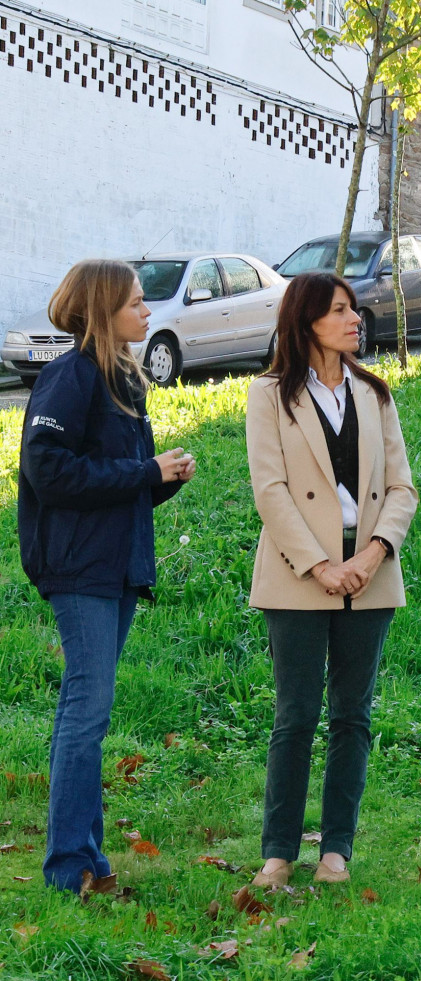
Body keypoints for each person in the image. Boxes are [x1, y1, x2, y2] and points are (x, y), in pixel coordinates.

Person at [18, 259, 196, 894]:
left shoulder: (120, 379)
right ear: (101, 310)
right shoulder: (69, 378)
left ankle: (87, 859)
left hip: (115, 566)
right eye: (136, 304)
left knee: (88, 711)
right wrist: (146, 473)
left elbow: (117, 490)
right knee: (85, 714)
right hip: (78, 568)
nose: (147, 313)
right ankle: (69, 870)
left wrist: (160, 478)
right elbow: (49, 472)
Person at [246, 271, 417, 888]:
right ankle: (278, 854)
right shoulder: (268, 394)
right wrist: (320, 565)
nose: (355, 319)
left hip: (368, 571)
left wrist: (371, 555)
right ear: (307, 321)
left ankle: (337, 851)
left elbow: (402, 487)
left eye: (354, 309)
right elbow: (270, 490)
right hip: (299, 573)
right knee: (295, 714)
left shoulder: (375, 393)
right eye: (340, 310)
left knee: (353, 715)